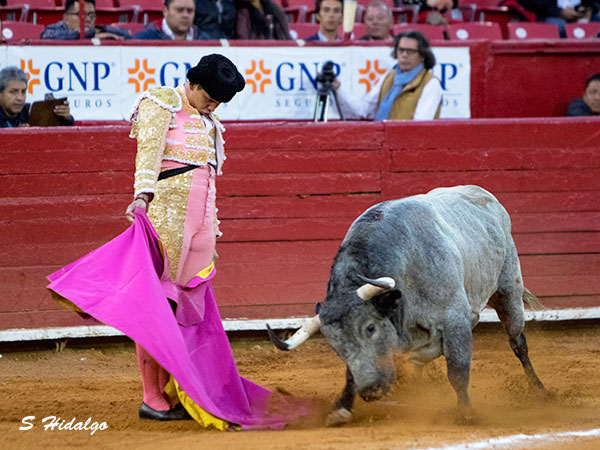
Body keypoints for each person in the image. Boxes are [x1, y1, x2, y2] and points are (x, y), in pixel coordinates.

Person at [47, 54, 310, 429]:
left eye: (219, 102)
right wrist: (142, 196)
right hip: (166, 221)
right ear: (194, 84)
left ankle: (176, 390)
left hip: (198, 227)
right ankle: (151, 396)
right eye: (210, 98)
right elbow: (148, 153)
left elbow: (207, 179)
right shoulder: (162, 102)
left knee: (183, 311)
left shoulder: (208, 121)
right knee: (156, 307)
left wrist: (210, 230)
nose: (213, 106)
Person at [334, 30, 442, 120]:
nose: (404, 55)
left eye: (410, 51)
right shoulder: (388, 77)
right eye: (401, 50)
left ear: (422, 55)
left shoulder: (431, 84)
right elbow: (363, 110)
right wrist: (338, 87)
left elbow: (421, 126)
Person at [0, 67, 74, 128]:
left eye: (23, 91)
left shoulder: (30, 111)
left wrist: (66, 119)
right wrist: (16, 135)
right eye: (13, 92)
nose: (20, 98)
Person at [40, 0, 131, 40]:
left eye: (91, 15)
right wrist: (89, 35)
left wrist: (100, 31)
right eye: (81, 14)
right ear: (66, 18)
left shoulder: (97, 31)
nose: (87, 19)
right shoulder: (54, 30)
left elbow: (128, 35)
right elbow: (46, 36)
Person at [133, 0, 215, 40]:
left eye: (190, 11)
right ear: (165, 11)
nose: (185, 15)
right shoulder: (144, 38)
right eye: (179, 10)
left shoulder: (205, 40)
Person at [516, 0, 600, 37]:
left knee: (596, 27)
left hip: (583, 14)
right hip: (548, 16)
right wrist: (559, 11)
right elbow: (531, 3)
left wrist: (587, 8)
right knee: (562, 28)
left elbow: (594, 3)